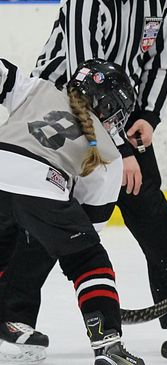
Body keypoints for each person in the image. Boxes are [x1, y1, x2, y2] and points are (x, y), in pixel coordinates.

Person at [0, 0, 167, 346]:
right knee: (47, 219)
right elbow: (83, 71)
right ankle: (15, 316)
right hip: (61, 105)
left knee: (150, 210)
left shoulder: (159, 4)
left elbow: (161, 64)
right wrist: (121, 151)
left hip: (118, 114)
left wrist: (147, 116)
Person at [0, 56, 145, 365]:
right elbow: (88, 232)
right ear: (108, 107)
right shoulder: (107, 151)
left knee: (4, 249)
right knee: (89, 259)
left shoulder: (37, 89)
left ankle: (7, 325)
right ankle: (107, 343)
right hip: (41, 186)